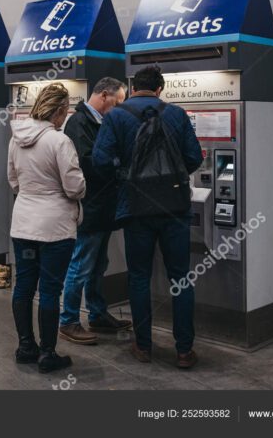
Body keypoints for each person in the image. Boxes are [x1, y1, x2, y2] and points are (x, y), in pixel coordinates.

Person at [93, 65, 203, 369]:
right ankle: (184, 351)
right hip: (174, 208)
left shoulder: (116, 116)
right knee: (181, 278)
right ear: (159, 90)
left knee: (139, 278)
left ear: (132, 87)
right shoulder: (176, 114)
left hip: (136, 208)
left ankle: (142, 346)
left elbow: (100, 159)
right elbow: (194, 156)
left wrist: (125, 175)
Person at [7, 83, 86, 373]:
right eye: (66, 111)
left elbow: (13, 180)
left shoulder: (16, 139)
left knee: (24, 285)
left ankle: (26, 347)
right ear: (60, 110)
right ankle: (48, 354)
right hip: (54, 228)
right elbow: (75, 187)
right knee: (51, 289)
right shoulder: (59, 141)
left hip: (23, 224)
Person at [59, 77, 132, 345]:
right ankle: (68, 320)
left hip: (102, 208)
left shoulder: (99, 122)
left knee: (99, 265)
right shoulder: (79, 123)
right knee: (80, 265)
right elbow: (88, 163)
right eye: (118, 102)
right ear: (103, 95)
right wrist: (117, 163)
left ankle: (98, 314)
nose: (120, 107)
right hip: (90, 208)